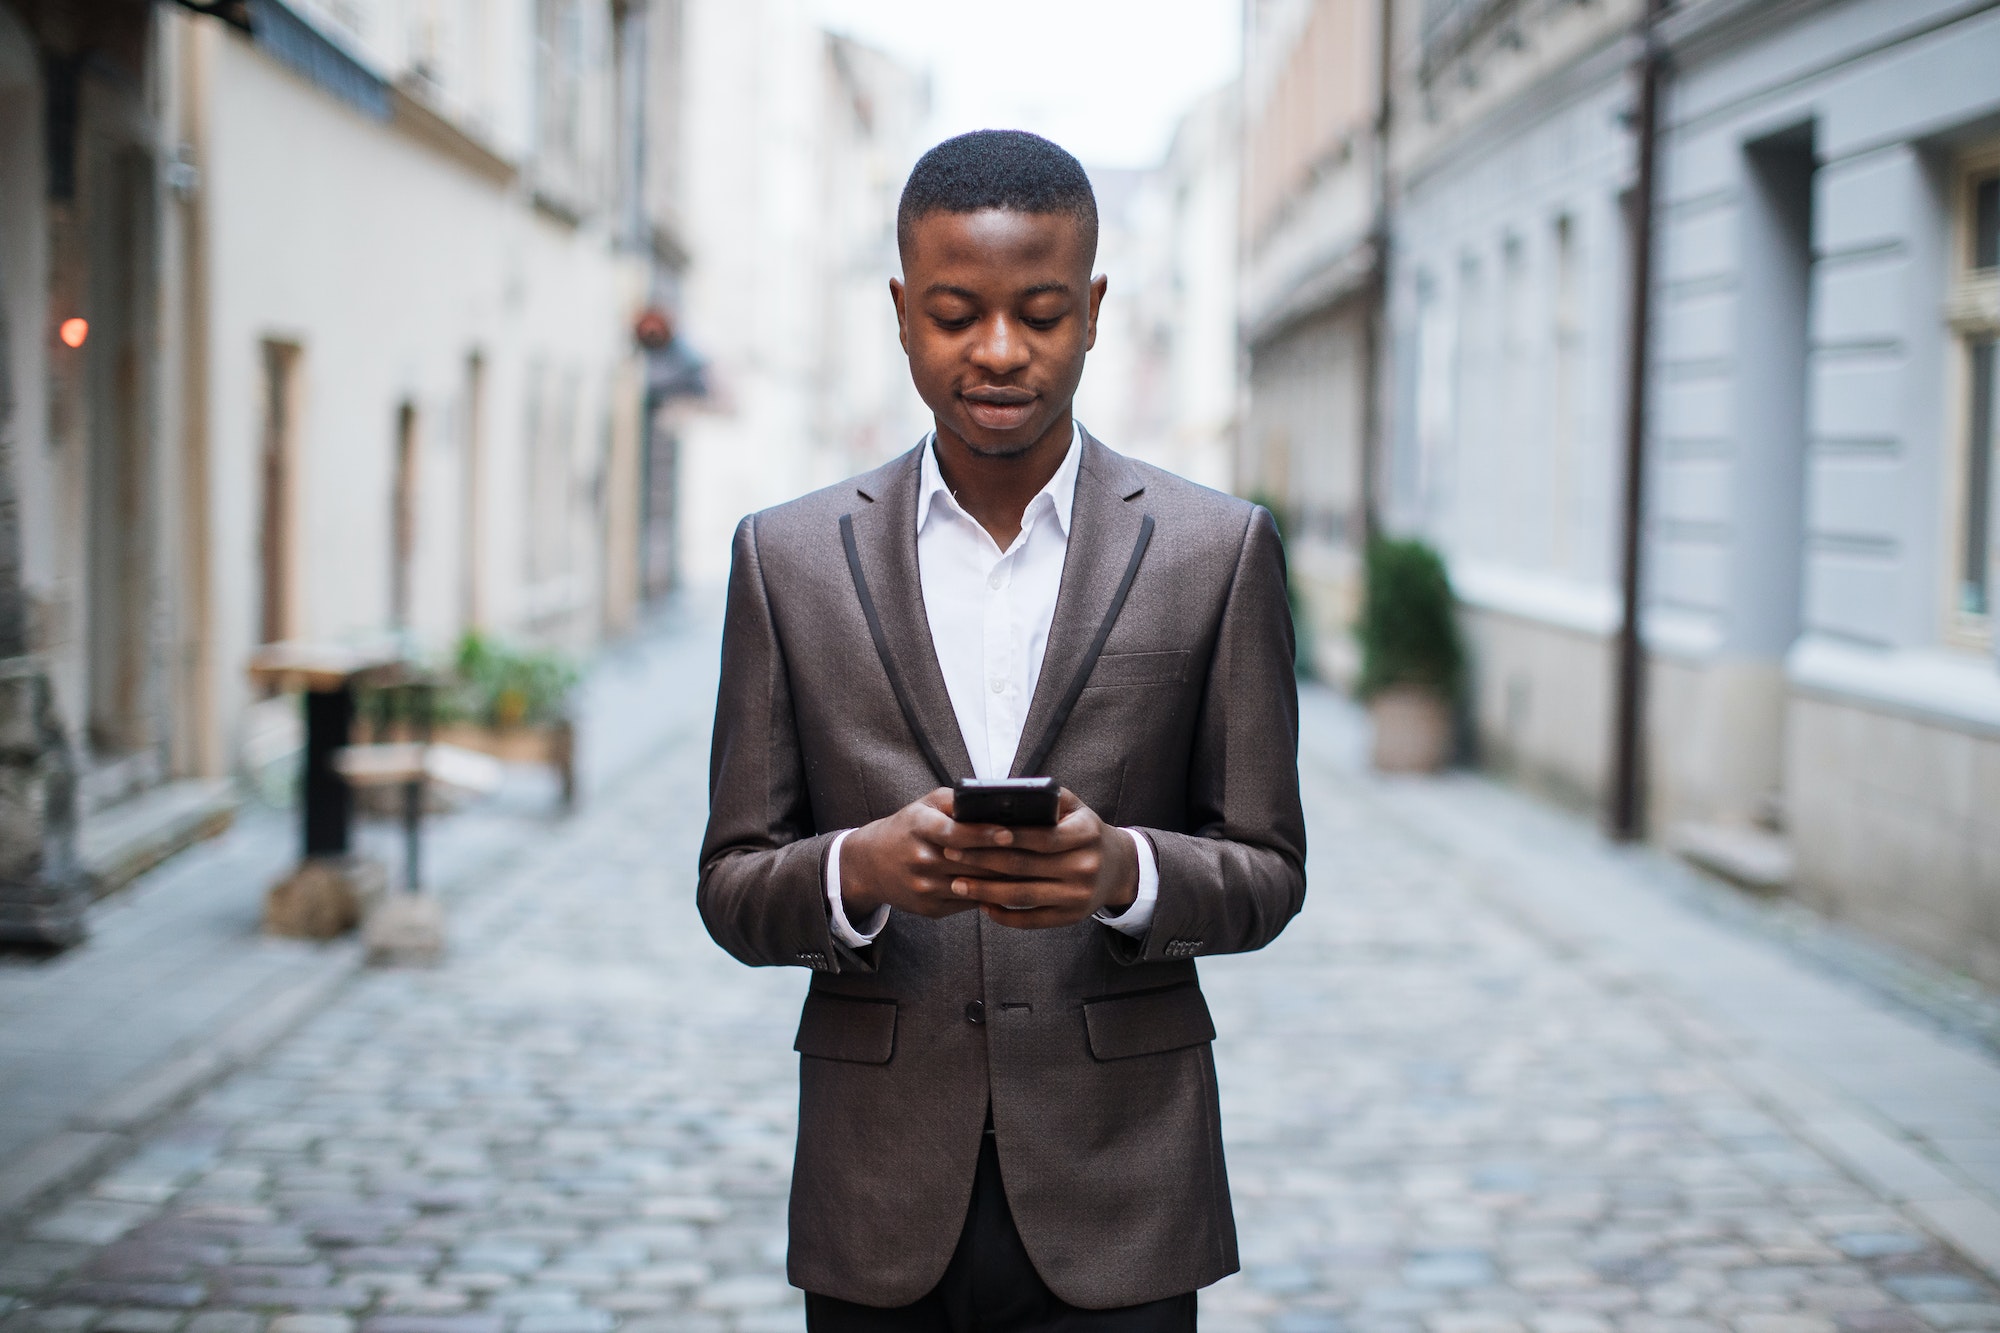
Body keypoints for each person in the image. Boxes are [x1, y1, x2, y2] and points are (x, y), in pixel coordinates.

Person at [699, 129, 1306, 1332]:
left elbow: (1269, 870)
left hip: (1121, 1182)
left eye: (1037, 313)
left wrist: (1122, 870)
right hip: (878, 1188)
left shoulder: (1213, 550)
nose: (996, 351)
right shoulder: (786, 558)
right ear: (898, 310)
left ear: (1090, 310)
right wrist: (855, 870)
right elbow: (730, 885)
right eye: (953, 313)